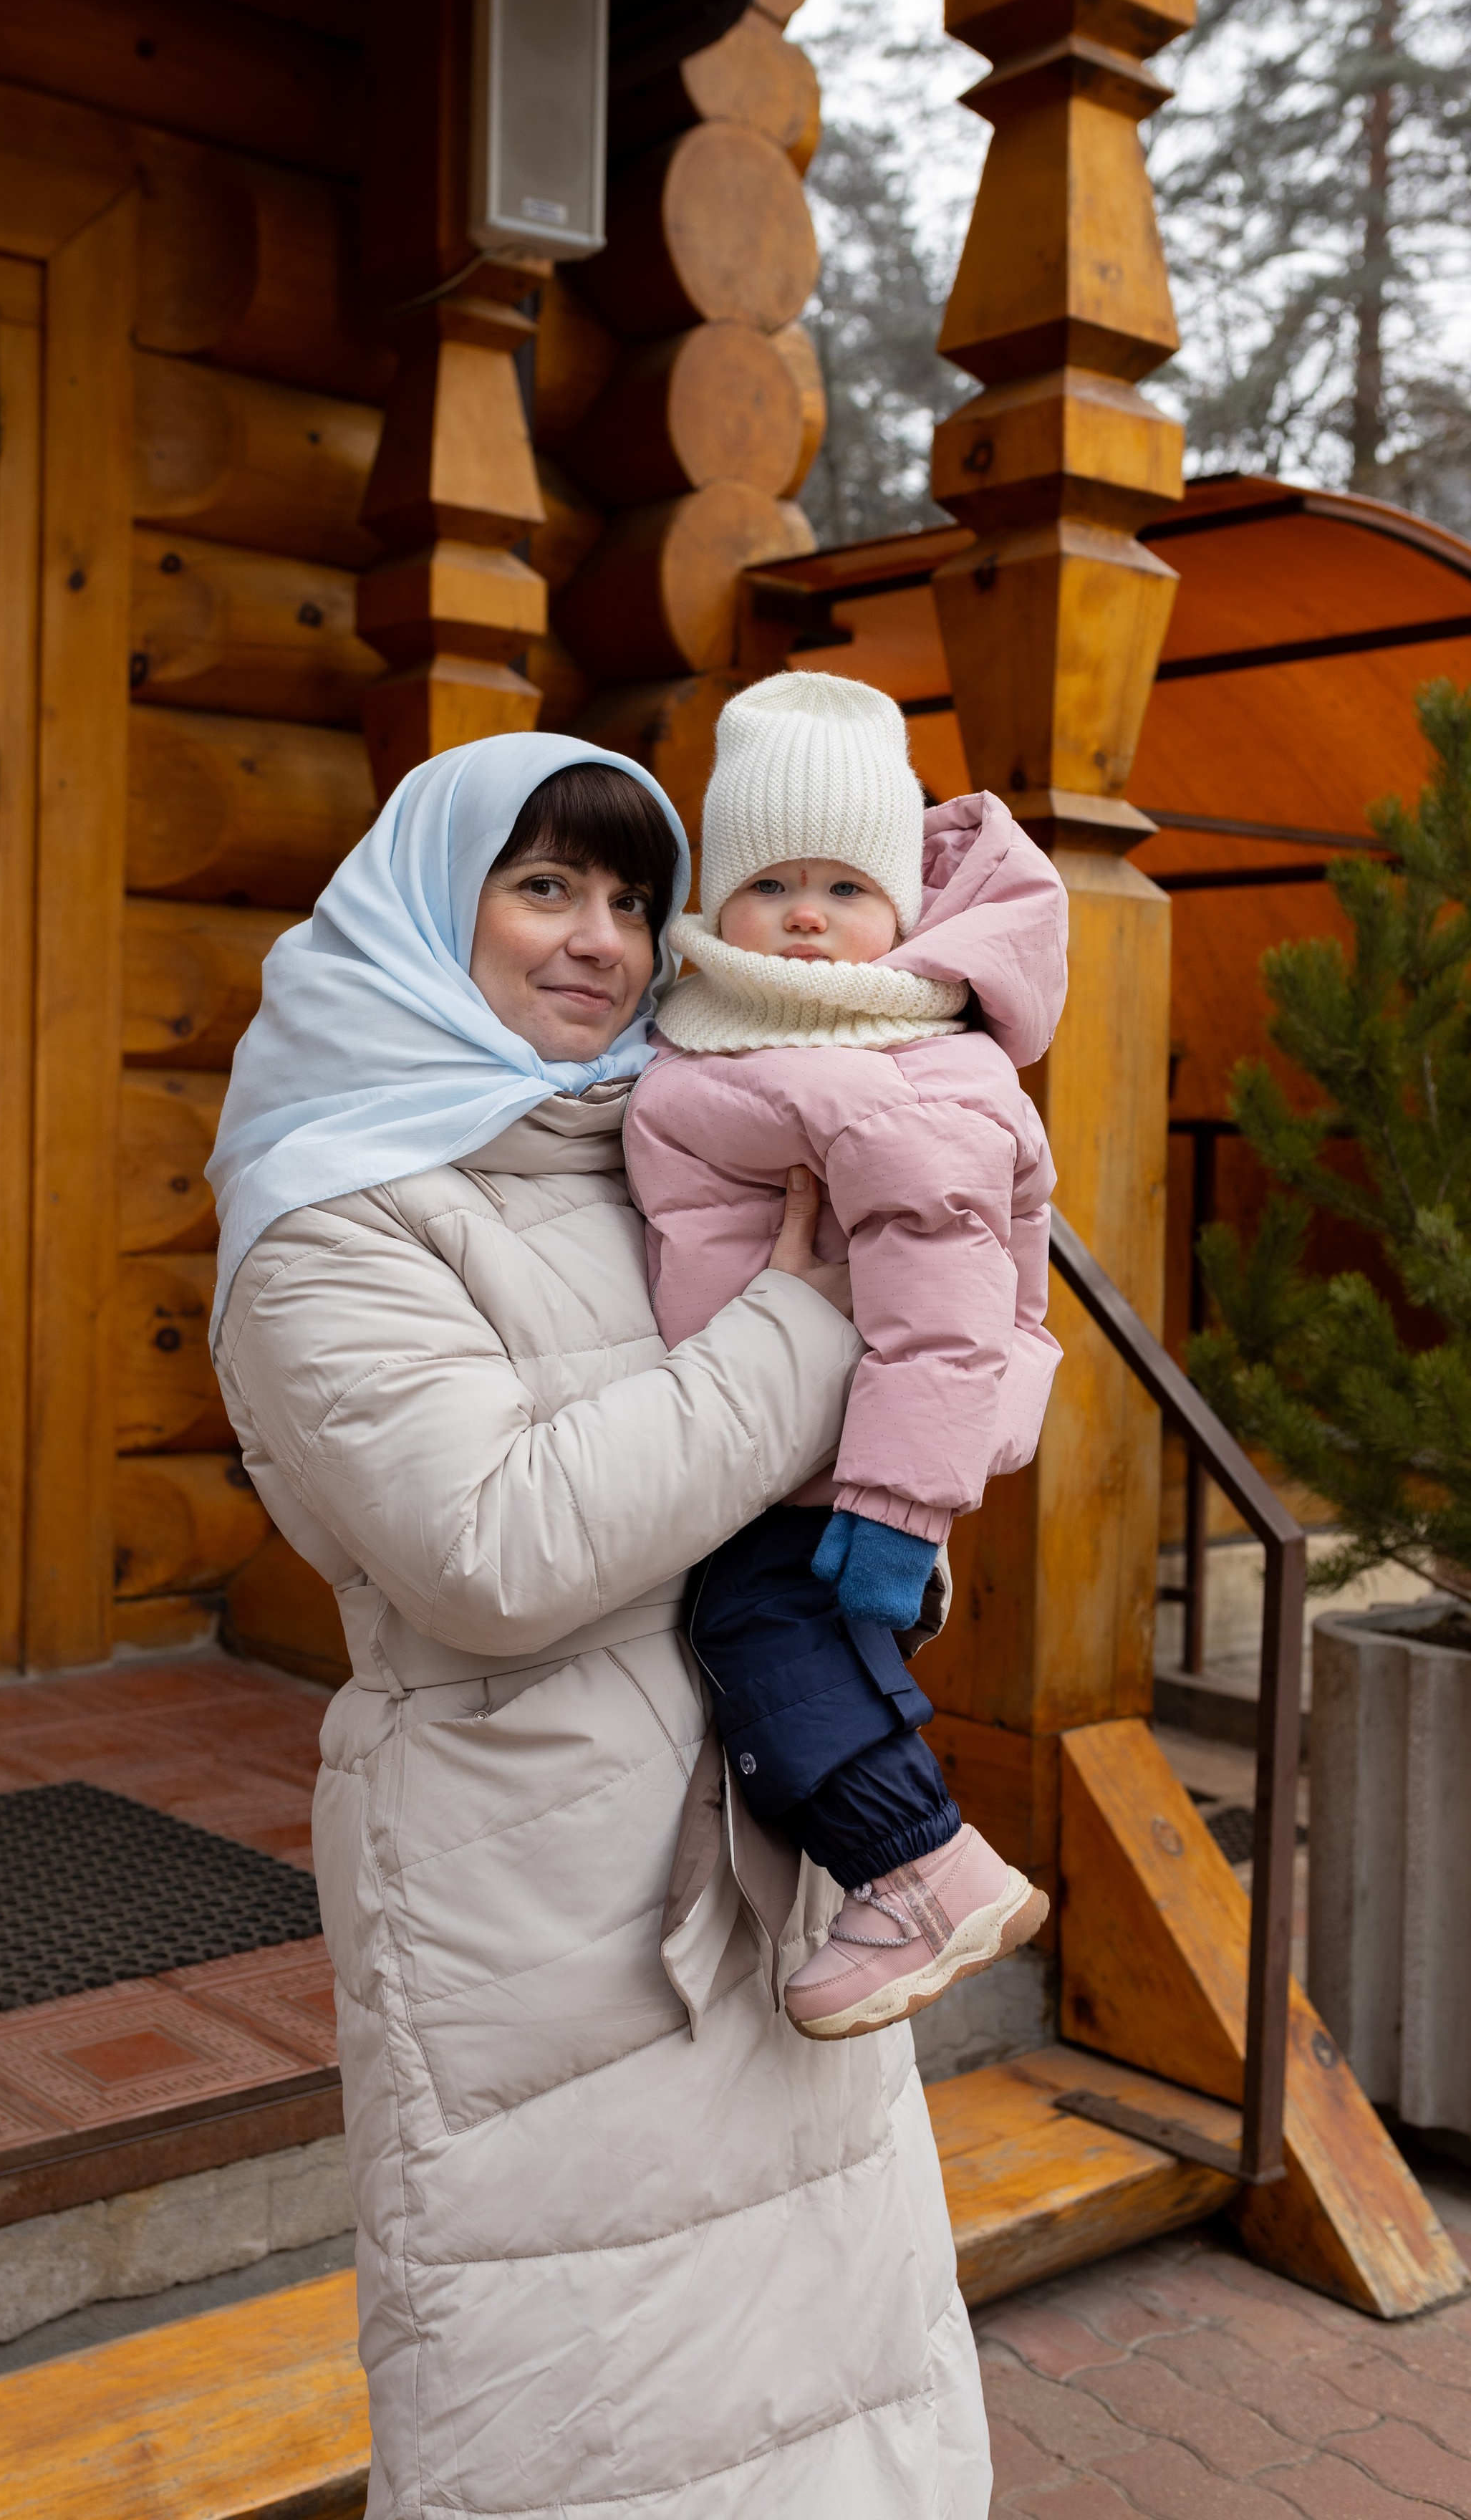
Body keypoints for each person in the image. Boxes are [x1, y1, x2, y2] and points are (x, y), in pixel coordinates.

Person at [206, 733, 991, 2520]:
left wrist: (885, 1536)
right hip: (534, 1905)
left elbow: (787, 1476)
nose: (601, 941)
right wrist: (805, 1338)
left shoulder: (654, 1144)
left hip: (764, 1859)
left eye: (635, 899)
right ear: (426, 909)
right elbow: (493, 1550)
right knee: (591, 2417)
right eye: (543, 885)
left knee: (826, 2396)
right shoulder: (332, 1215)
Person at [623, 672, 1069, 2047]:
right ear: (717, 901)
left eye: (844, 888)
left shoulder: (878, 1060)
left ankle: (921, 1869)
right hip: (800, 1432)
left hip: (844, 1460)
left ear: (903, 920)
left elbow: (943, 1289)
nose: (805, 917)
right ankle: (905, 1878)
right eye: (769, 884)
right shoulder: (758, 1031)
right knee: (783, 1649)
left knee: (759, 1631)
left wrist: (894, 1509)